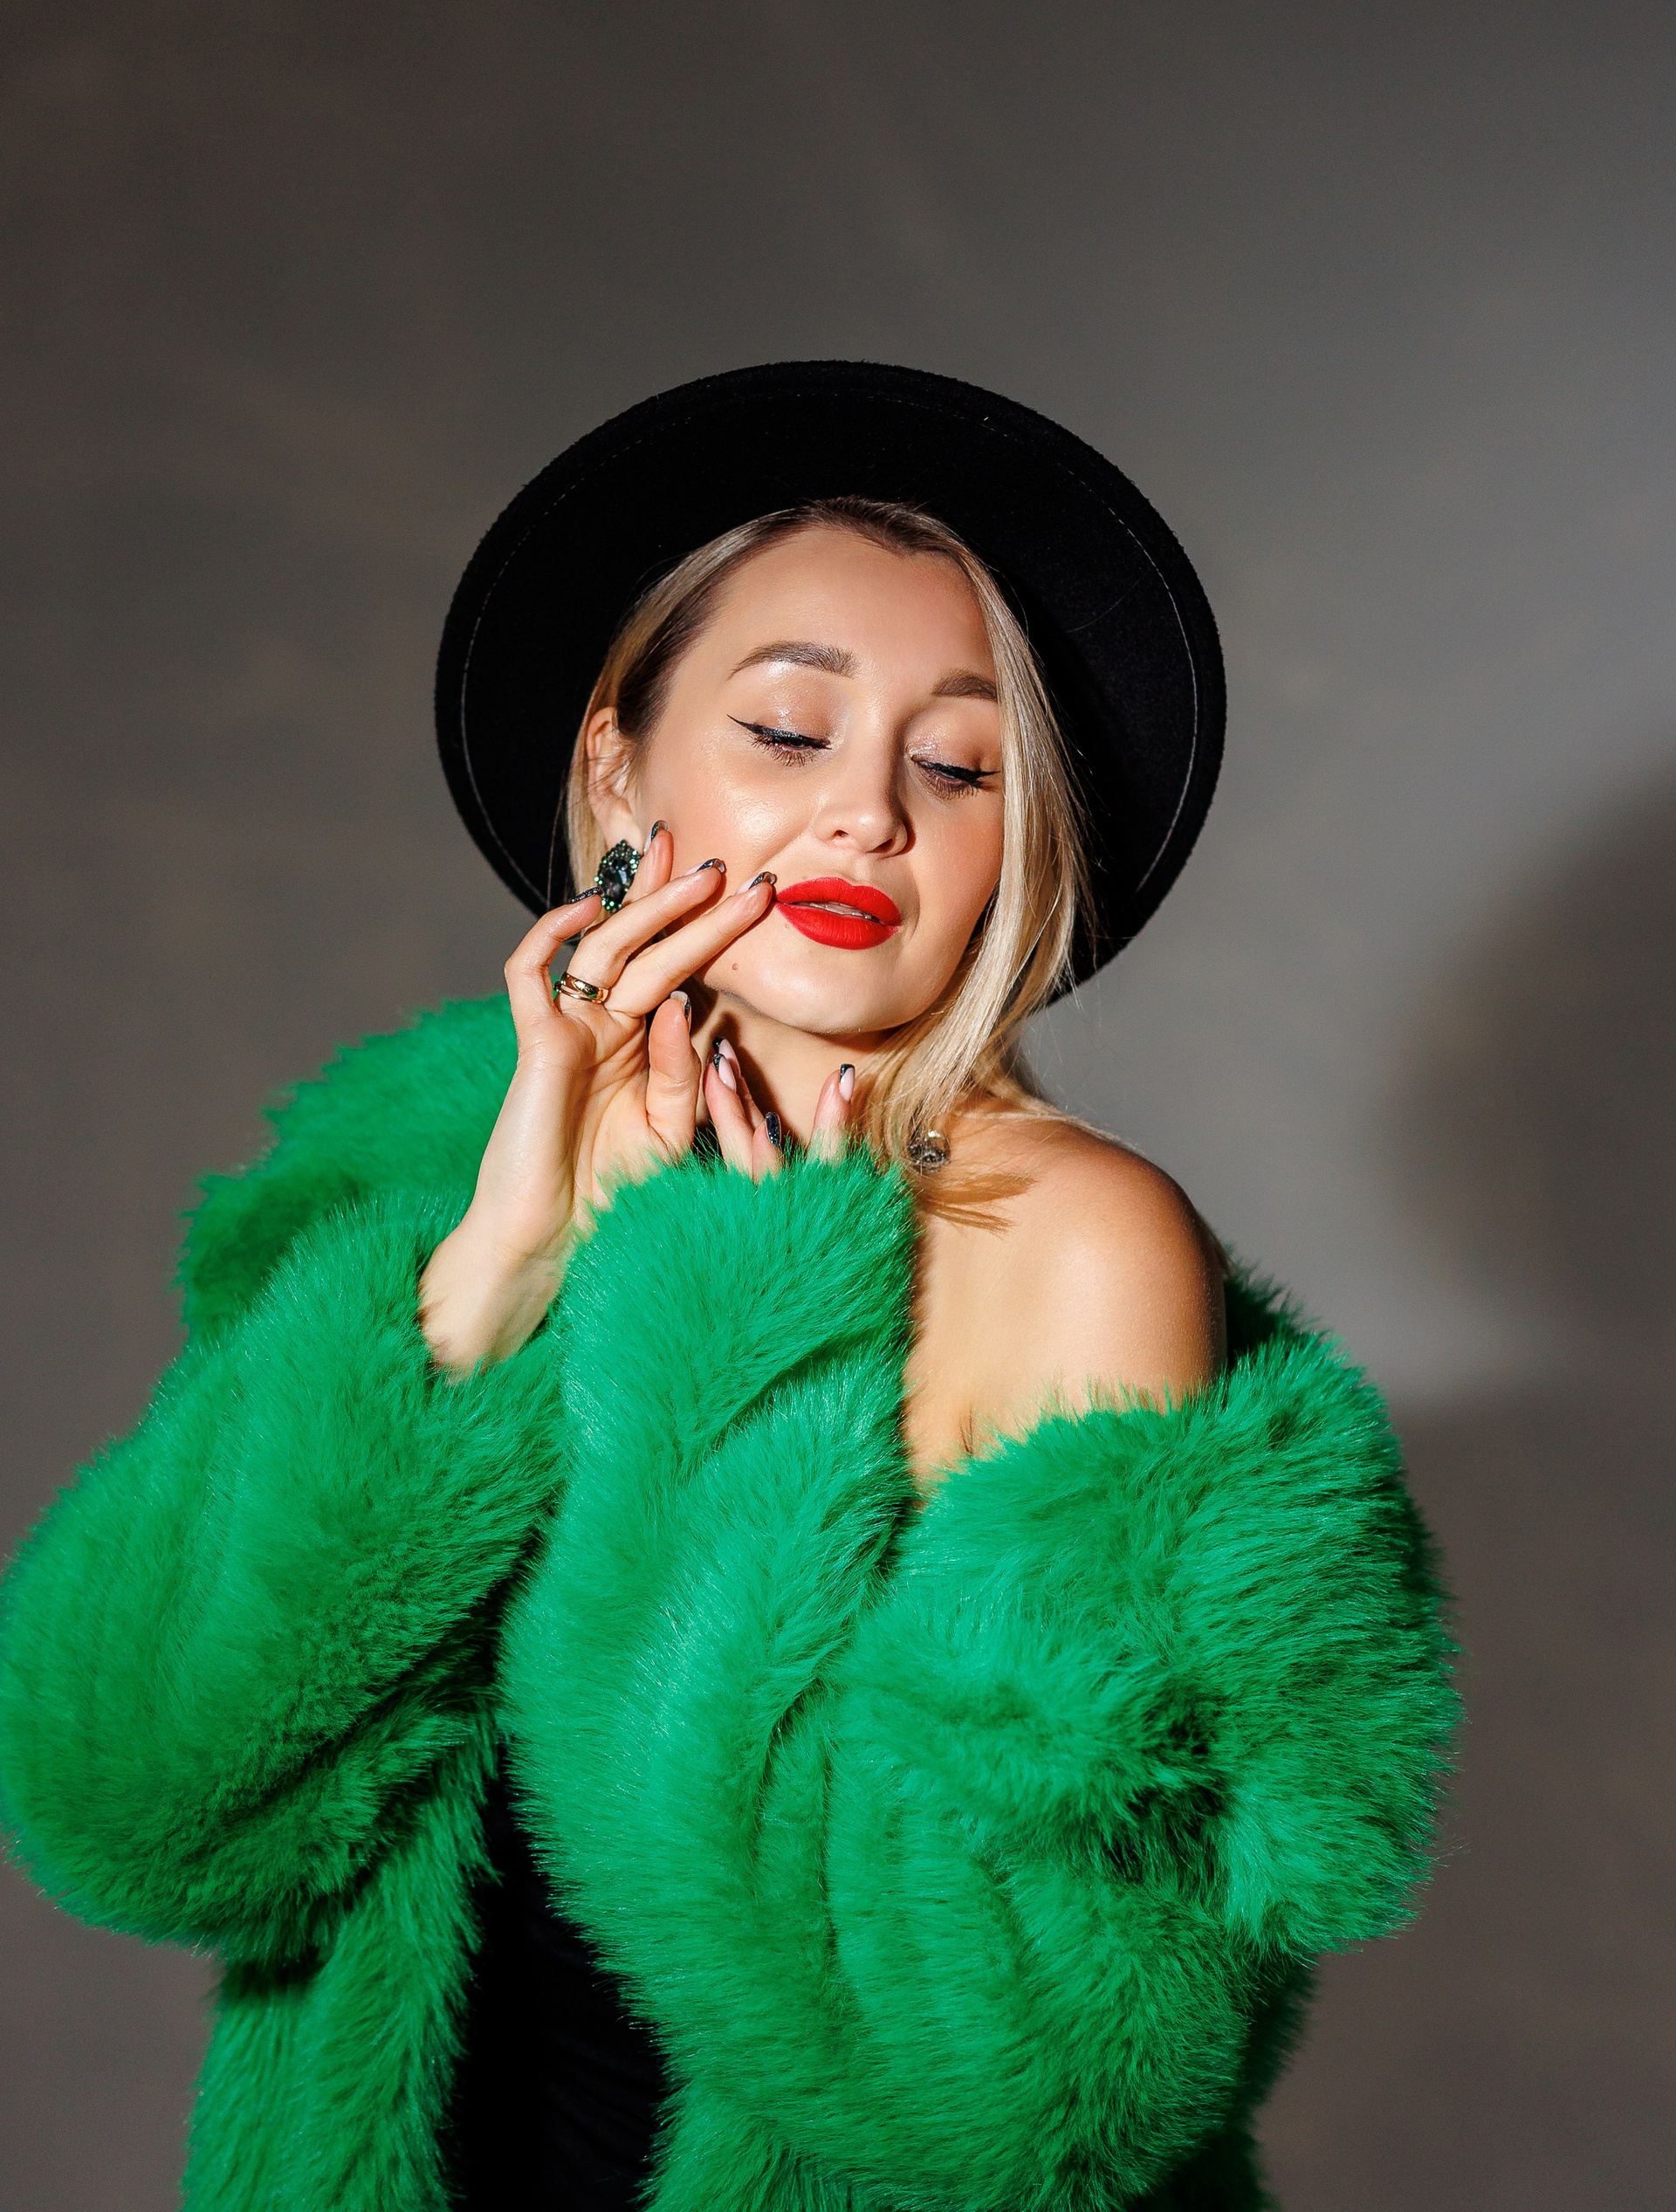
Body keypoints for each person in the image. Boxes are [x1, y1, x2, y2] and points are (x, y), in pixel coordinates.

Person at [0, 363, 1454, 2212]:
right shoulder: (422, 1176)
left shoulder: (1075, 1246)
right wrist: (496, 1275)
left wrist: (737, 1354)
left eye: (957, 766)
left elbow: (1030, 2077)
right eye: (787, 730)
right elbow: (137, 1806)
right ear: (620, 767)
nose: (869, 817)